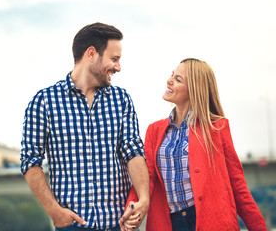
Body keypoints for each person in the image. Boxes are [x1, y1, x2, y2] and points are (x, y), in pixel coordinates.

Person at [20, 22, 150, 231]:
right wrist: (54, 212)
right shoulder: (43, 102)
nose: (118, 67)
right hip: (73, 226)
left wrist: (144, 198)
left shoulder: (122, 99)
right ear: (91, 54)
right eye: (114, 59)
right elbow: (30, 161)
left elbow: (133, 151)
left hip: (120, 224)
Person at [120, 58, 267, 231]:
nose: (169, 80)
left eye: (178, 79)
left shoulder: (217, 128)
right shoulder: (154, 130)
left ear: (194, 90)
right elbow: (146, 178)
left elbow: (238, 185)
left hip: (211, 222)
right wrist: (131, 209)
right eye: (172, 75)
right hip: (170, 223)